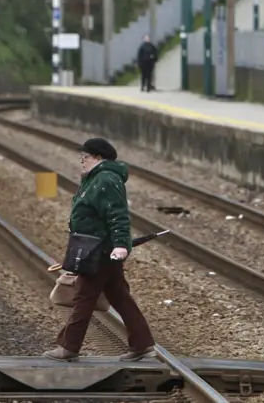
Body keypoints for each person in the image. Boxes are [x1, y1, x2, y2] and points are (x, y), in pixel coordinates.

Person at [45, 138, 157, 362]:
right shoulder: (95, 178)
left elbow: (118, 215)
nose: (81, 161)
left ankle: (69, 347)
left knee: (84, 297)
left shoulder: (107, 179)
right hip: (94, 247)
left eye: (85, 157)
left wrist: (120, 245)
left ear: (98, 158)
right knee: (120, 297)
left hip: (101, 250)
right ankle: (142, 345)